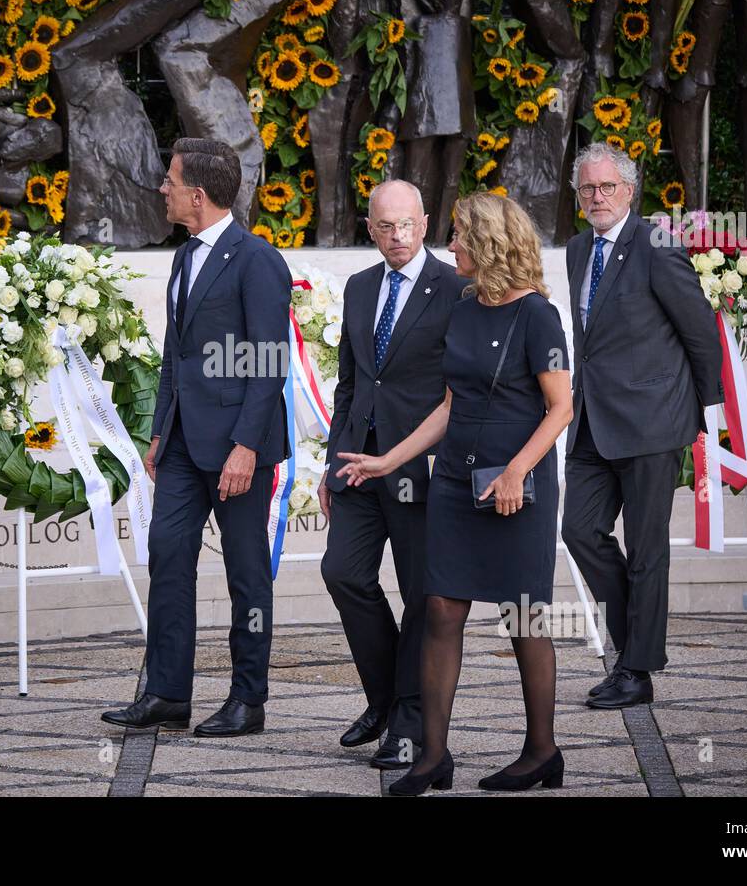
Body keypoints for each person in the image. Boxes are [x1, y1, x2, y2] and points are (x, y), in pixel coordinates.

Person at [337, 192, 574, 796]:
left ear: (490, 242)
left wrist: (518, 470)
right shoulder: (464, 307)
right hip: (453, 482)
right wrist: (389, 459)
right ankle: (432, 757)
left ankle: (542, 751)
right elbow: (448, 404)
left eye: (461, 236)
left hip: (517, 486)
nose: (452, 246)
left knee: (524, 619)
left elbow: (561, 406)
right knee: (442, 609)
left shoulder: (539, 316)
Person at [101, 138, 291, 737]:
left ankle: (248, 699)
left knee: (246, 574)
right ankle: (165, 693)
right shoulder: (184, 257)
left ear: (198, 195)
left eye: (170, 181)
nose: (163, 189)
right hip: (182, 445)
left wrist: (246, 446)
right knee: (169, 557)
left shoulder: (257, 259)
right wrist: (160, 432)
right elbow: (174, 357)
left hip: (239, 447)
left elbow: (268, 361)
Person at [560, 142, 722, 710]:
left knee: (647, 547)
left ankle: (635, 670)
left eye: (607, 187)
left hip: (654, 421)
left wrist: (709, 410)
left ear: (630, 190)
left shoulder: (655, 243)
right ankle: (637, 645)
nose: (597, 197)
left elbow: (699, 330)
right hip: (592, 422)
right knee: (578, 530)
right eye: (588, 188)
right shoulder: (578, 250)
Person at [319, 180, 468, 770]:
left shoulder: (456, 289)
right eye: (386, 226)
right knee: (343, 573)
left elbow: (460, 390)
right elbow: (350, 383)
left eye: (407, 224)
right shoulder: (359, 288)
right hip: (359, 463)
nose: (398, 236)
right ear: (370, 227)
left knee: (419, 597)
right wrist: (333, 465)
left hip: (422, 469)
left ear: (425, 222)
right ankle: (383, 700)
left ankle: (409, 721)